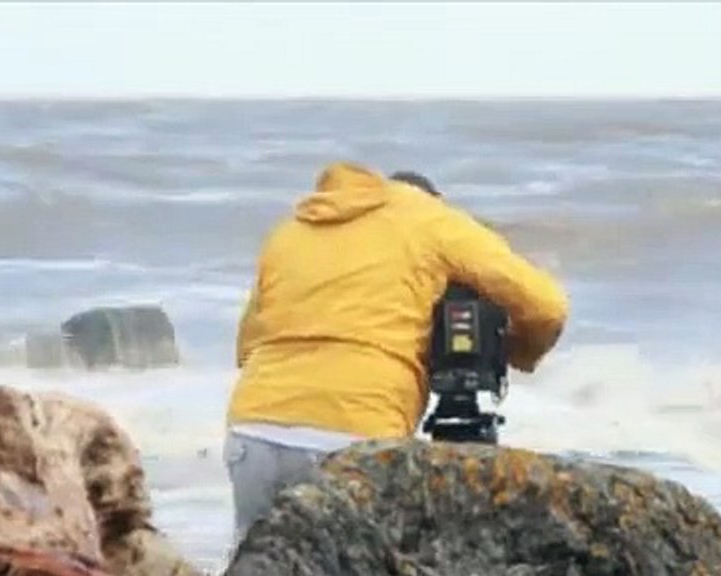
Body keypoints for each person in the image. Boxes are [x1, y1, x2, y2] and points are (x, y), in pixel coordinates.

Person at [223, 161, 568, 539]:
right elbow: (546, 306)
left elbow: (247, 346)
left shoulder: (290, 232)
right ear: (432, 199)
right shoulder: (432, 220)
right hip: (355, 434)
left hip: (254, 428)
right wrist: (514, 353)